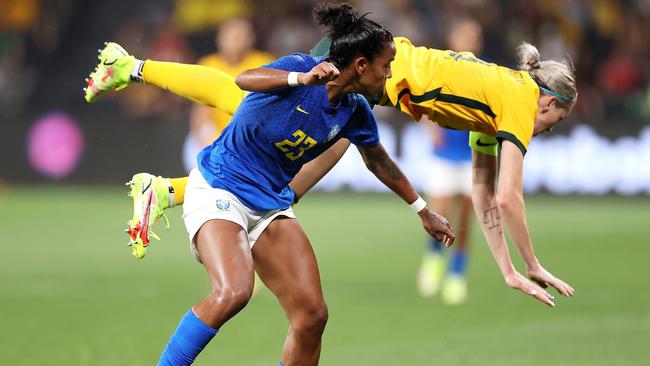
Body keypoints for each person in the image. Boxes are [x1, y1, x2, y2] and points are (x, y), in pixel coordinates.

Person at [89, 20, 576, 306]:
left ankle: (169, 188)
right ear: (550, 101)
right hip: (366, 63)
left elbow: (485, 193)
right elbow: (509, 195)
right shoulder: (520, 96)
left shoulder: (495, 111)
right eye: (555, 121)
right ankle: (130, 67)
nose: (548, 129)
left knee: (335, 140)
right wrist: (533, 263)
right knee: (240, 99)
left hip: (375, 80)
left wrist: (508, 269)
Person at [85, 3, 454, 365]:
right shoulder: (301, 69)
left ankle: (162, 184)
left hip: (269, 202)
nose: (389, 74)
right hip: (219, 186)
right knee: (233, 292)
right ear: (360, 65)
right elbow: (244, 81)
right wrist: (300, 79)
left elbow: (379, 162)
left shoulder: (355, 111)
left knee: (312, 315)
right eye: (386, 66)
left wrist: (422, 210)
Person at [416, 17, 484, 305]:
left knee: (466, 218)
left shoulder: (485, 73)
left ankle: (457, 273)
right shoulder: (440, 69)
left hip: (473, 157)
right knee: (439, 213)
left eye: (473, 37)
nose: (468, 42)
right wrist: (429, 128)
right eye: (464, 36)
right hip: (444, 155)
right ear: (454, 41)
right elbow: (416, 101)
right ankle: (434, 259)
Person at [184, 17, 274, 172]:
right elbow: (200, 112)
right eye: (230, 36)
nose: (234, 41)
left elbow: (273, 110)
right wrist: (212, 146)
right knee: (202, 169)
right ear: (219, 38)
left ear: (250, 39)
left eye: (239, 36)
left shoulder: (265, 62)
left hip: (254, 139)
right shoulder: (208, 64)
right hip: (215, 136)